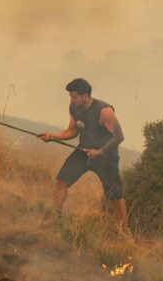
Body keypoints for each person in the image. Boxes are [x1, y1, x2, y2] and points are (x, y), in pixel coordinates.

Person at [39, 78, 128, 232]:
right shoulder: (74, 108)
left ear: (86, 95)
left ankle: (125, 231)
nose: (71, 100)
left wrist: (99, 152)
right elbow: (72, 130)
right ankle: (55, 219)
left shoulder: (104, 111)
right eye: (70, 97)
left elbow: (119, 137)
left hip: (106, 157)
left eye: (74, 97)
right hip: (83, 152)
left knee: (115, 195)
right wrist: (53, 137)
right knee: (62, 180)